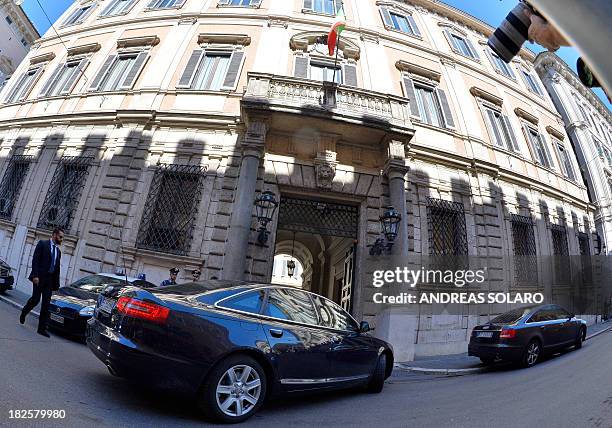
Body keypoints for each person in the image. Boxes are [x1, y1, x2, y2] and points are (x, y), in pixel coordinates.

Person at [20, 227, 64, 337]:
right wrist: (35, 275)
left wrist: (56, 285)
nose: (61, 239)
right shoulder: (42, 244)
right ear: (54, 235)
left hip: (49, 281)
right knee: (35, 299)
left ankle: (41, 328)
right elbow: (35, 260)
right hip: (39, 278)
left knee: (46, 304)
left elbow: (57, 269)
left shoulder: (58, 251)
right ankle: (24, 311)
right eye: (60, 237)